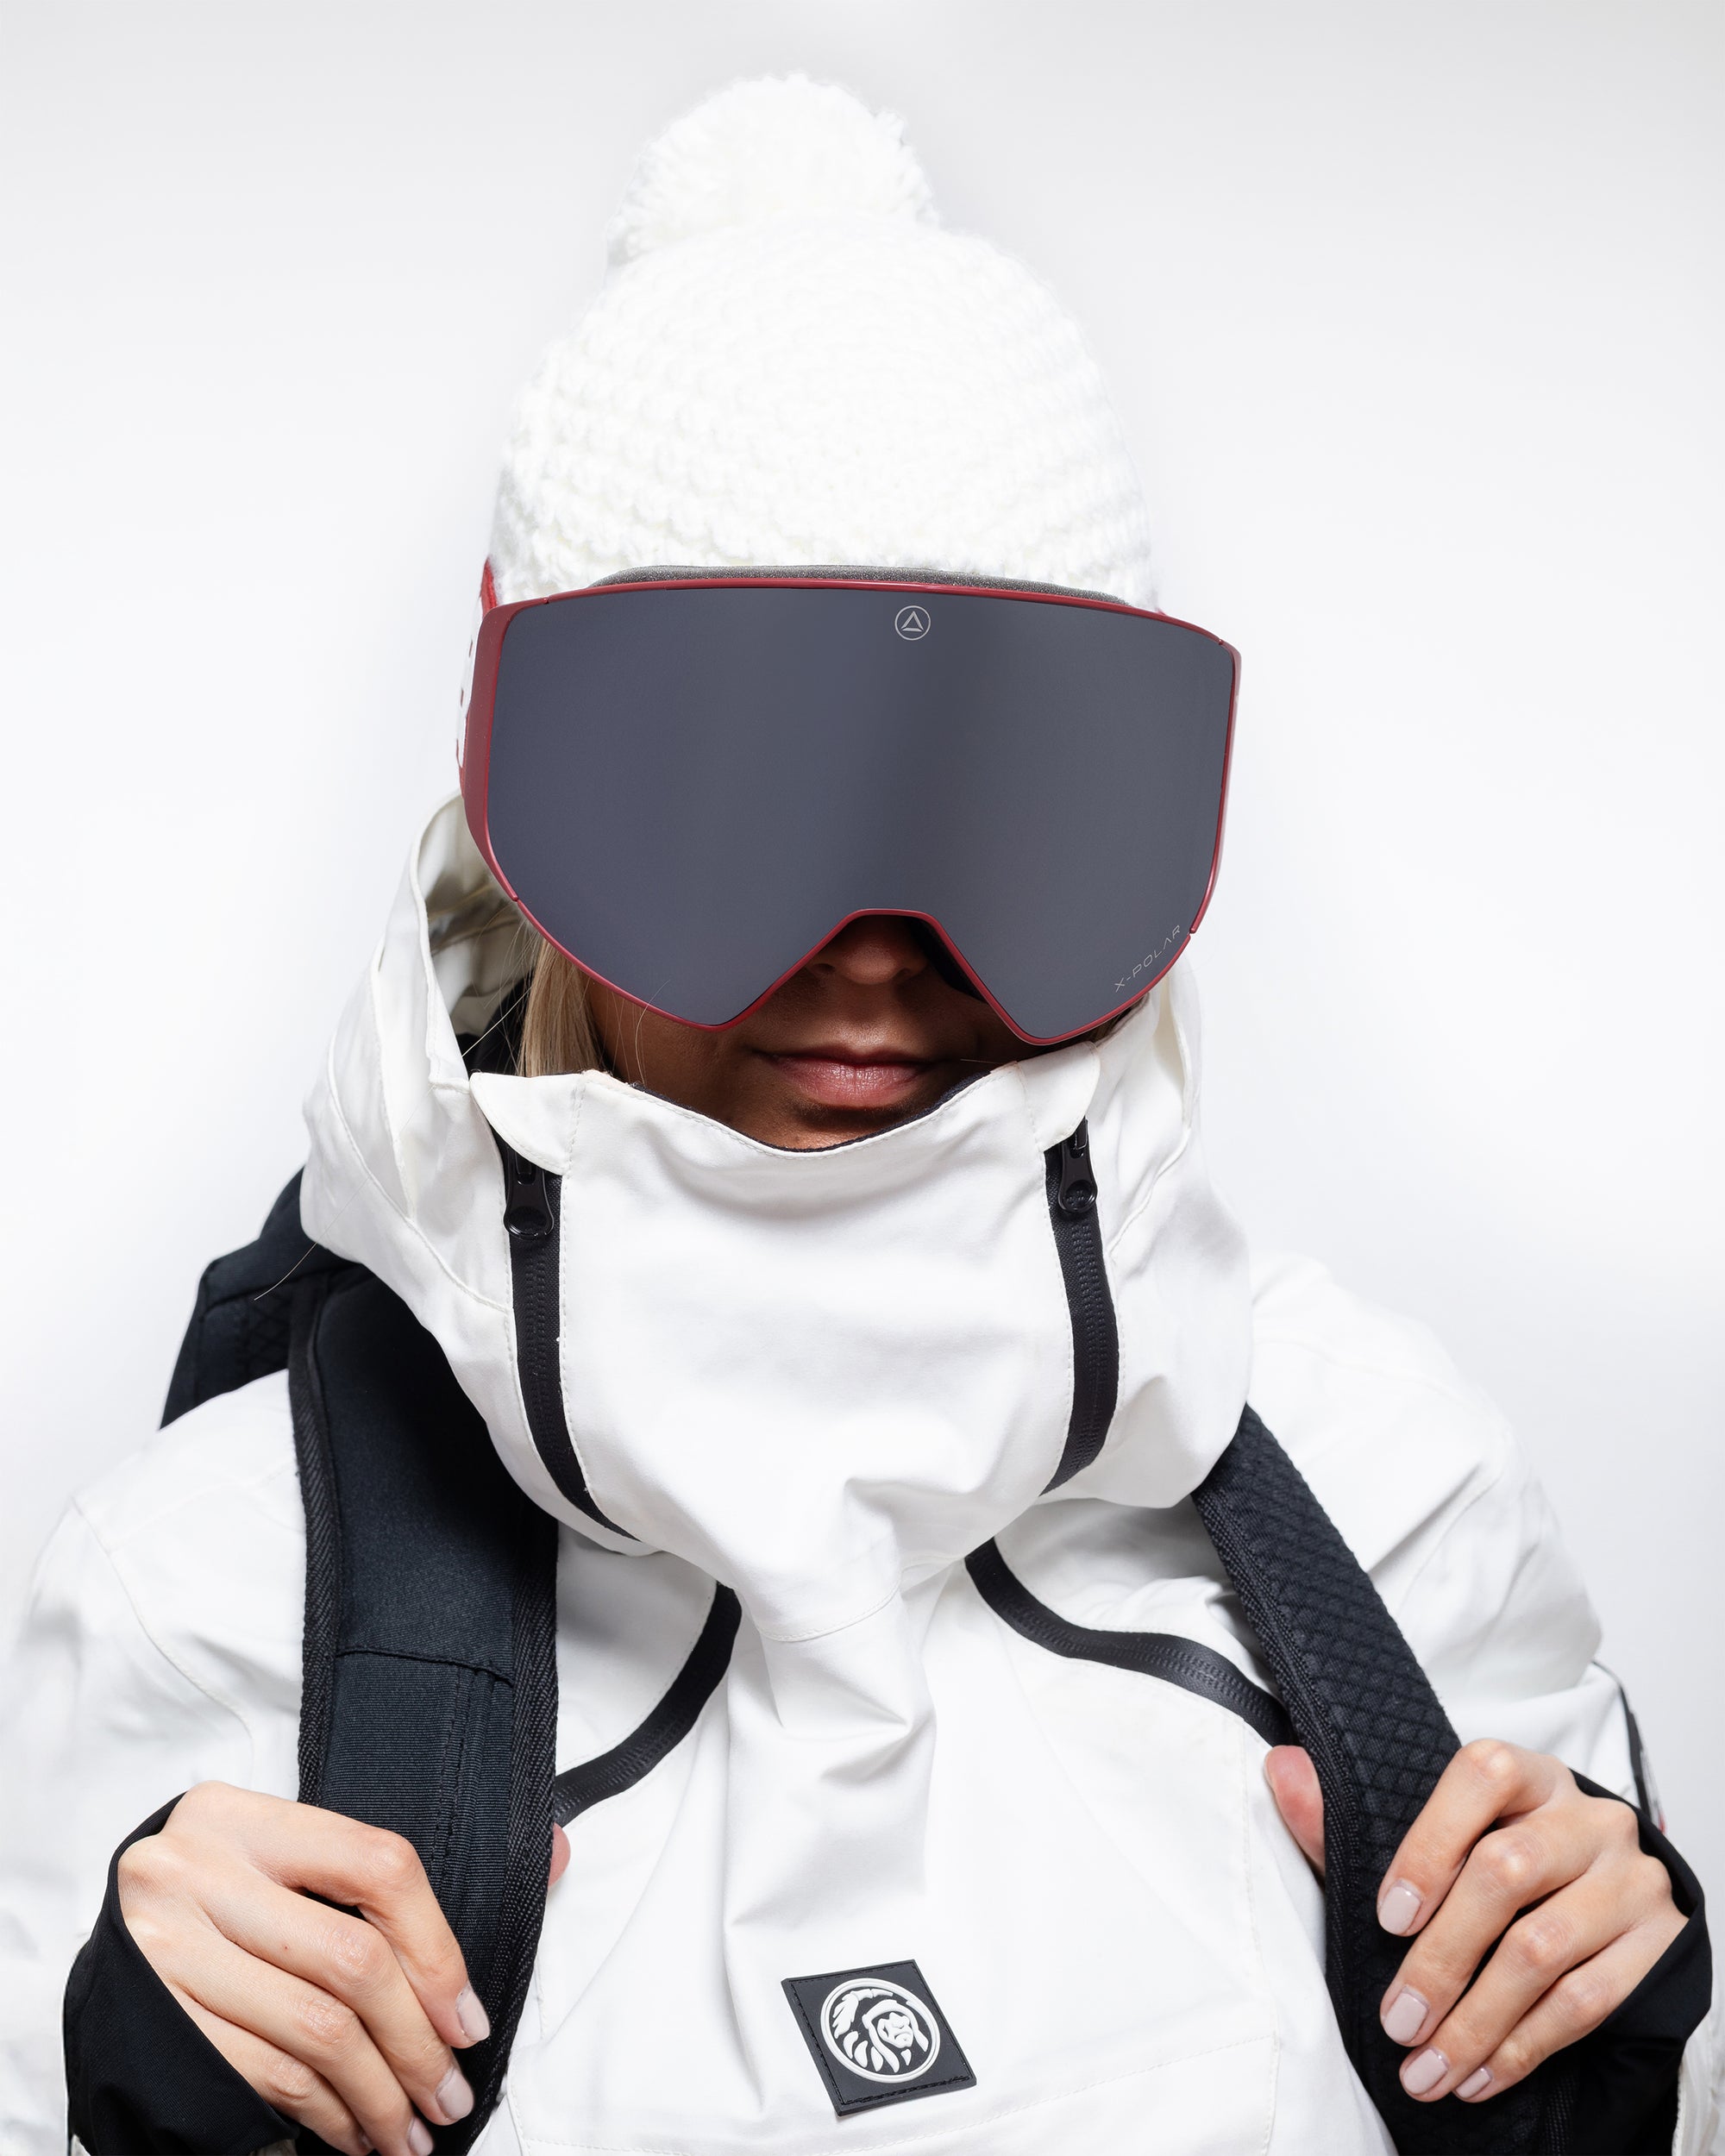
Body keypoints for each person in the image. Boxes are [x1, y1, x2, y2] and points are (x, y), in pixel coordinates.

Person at [1, 74, 1717, 2156]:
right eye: (738, 812)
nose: (872, 952)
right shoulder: (221, 1583)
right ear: (534, 815)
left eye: (987, 813)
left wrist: (1601, 2053)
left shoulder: (1380, 1484)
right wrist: (128, 2106)